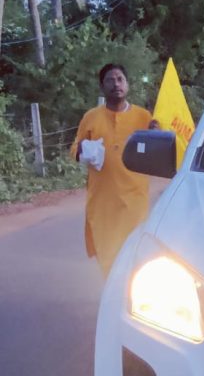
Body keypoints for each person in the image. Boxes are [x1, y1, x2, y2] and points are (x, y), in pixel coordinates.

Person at [70, 63, 157, 276]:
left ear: (127, 85)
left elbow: (158, 151)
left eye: (120, 79)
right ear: (102, 86)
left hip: (134, 204)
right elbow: (74, 149)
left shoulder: (144, 117)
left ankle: (130, 302)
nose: (116, 84)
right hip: (103, 205)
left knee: (135, 257)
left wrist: (157, 134)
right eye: (110, 80)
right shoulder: (91, 117)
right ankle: (113, 299)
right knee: (108, 258)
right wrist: (82, 148)